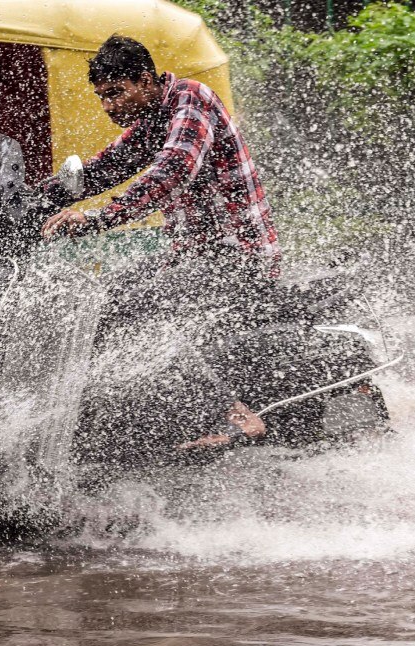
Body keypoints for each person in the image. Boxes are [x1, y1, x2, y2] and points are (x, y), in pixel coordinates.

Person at [38, 35, 279, 451]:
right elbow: (105, 167)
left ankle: (236, 414)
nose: (109, 106)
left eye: (115, 93)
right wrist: (34, 201)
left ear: (145, 80)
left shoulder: (192, 100)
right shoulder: (153, 117)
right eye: (101, 97)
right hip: (190, 259)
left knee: (142, 310)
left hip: (238, 260)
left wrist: (96, 218)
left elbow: (172, 170)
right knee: (96, 300)